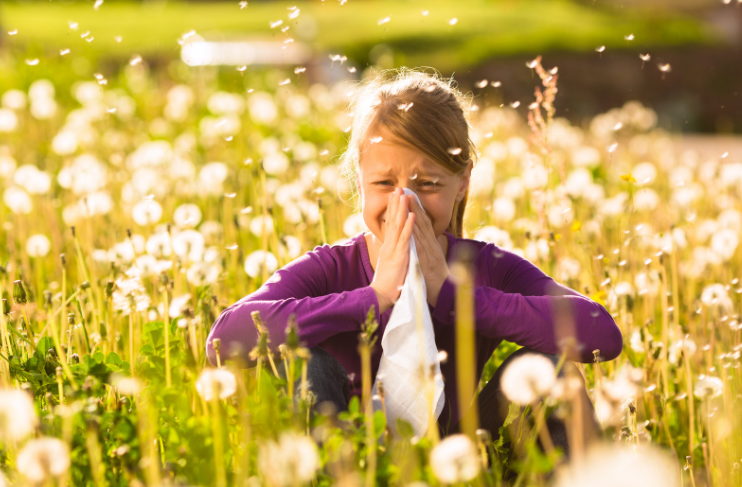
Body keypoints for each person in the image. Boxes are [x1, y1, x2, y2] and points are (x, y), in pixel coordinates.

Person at [206, 68, 623, 459]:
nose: (405, 203)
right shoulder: (330, 268)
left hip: (458, 453)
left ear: (462, 184)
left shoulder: (486, 266)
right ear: (359, 179)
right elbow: (224, 341)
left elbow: (601, 334)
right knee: (305, 364)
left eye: (428, 184)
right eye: (385, 183)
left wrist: (454, 295)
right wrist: (374, 297)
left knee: (553, 370)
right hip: (347, 455)